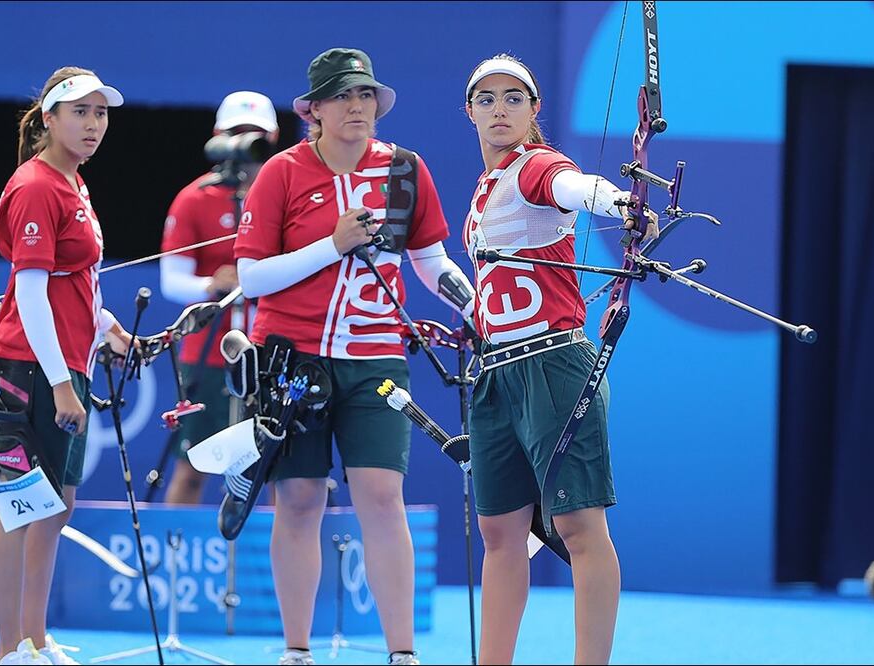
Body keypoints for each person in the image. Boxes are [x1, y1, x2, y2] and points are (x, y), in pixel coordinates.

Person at [235, 47, 474, 666]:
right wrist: (332, 243)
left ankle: (402, 654)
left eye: (365, 94)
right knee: (299, 499)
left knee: (382, 496)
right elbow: (252, 277)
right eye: (342, 96)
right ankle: (296, 650)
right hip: (291, 361)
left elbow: (430, 262)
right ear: (313, 110)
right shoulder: (281, 172)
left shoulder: (405, 169)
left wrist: (479, 308)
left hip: (377, 358)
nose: (357, 105)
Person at [461, 54, 657, 665]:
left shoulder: (536, 166)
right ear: (470, 112)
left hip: (554, 367)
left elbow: (575, 186)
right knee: (500, 534)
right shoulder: (485, 187)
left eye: (513, 98)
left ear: (534, 109)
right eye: (487, 99)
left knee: (578, 527)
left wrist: (621, 202)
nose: (500, 109)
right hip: (496, 372)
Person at [0, 66, 133, 666]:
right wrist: (58, 384)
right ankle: (7, 653)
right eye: (80, 112)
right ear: (49, 118)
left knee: (56, 505)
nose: (93, 123)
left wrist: (106, 326)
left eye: (100, 113)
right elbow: (29, 292)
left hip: (69, 360)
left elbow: (73, 280)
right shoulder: (36, 186)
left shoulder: (75, 183)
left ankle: (35, 640)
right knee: (19, 502)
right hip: (31, 365)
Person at [157, 91, 279, 504]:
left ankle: (282, 549)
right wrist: (211, 284)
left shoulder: (286, 195)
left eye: (255, 136)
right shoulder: (195, 197)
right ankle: (175, 549)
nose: (245, 145)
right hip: (208, 355)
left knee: (281, 474)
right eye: (236, 134)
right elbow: (171, 281)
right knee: (192, 468)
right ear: (217, 138)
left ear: (272, 138)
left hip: (270, 351)